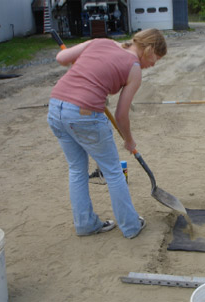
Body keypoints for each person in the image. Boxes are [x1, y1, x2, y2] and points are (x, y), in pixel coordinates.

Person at [47, 29, 167, 237]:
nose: (153, 65)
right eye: (155, 59)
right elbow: (121, 115)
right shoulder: (134, 69)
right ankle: (131, 226)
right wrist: (129, 141)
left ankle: (85, 224)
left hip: (56, 108)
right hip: (84, 114)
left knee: (77, 170)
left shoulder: (102, 42)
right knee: (113, 172)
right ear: (149, 49)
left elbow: (61, 58)